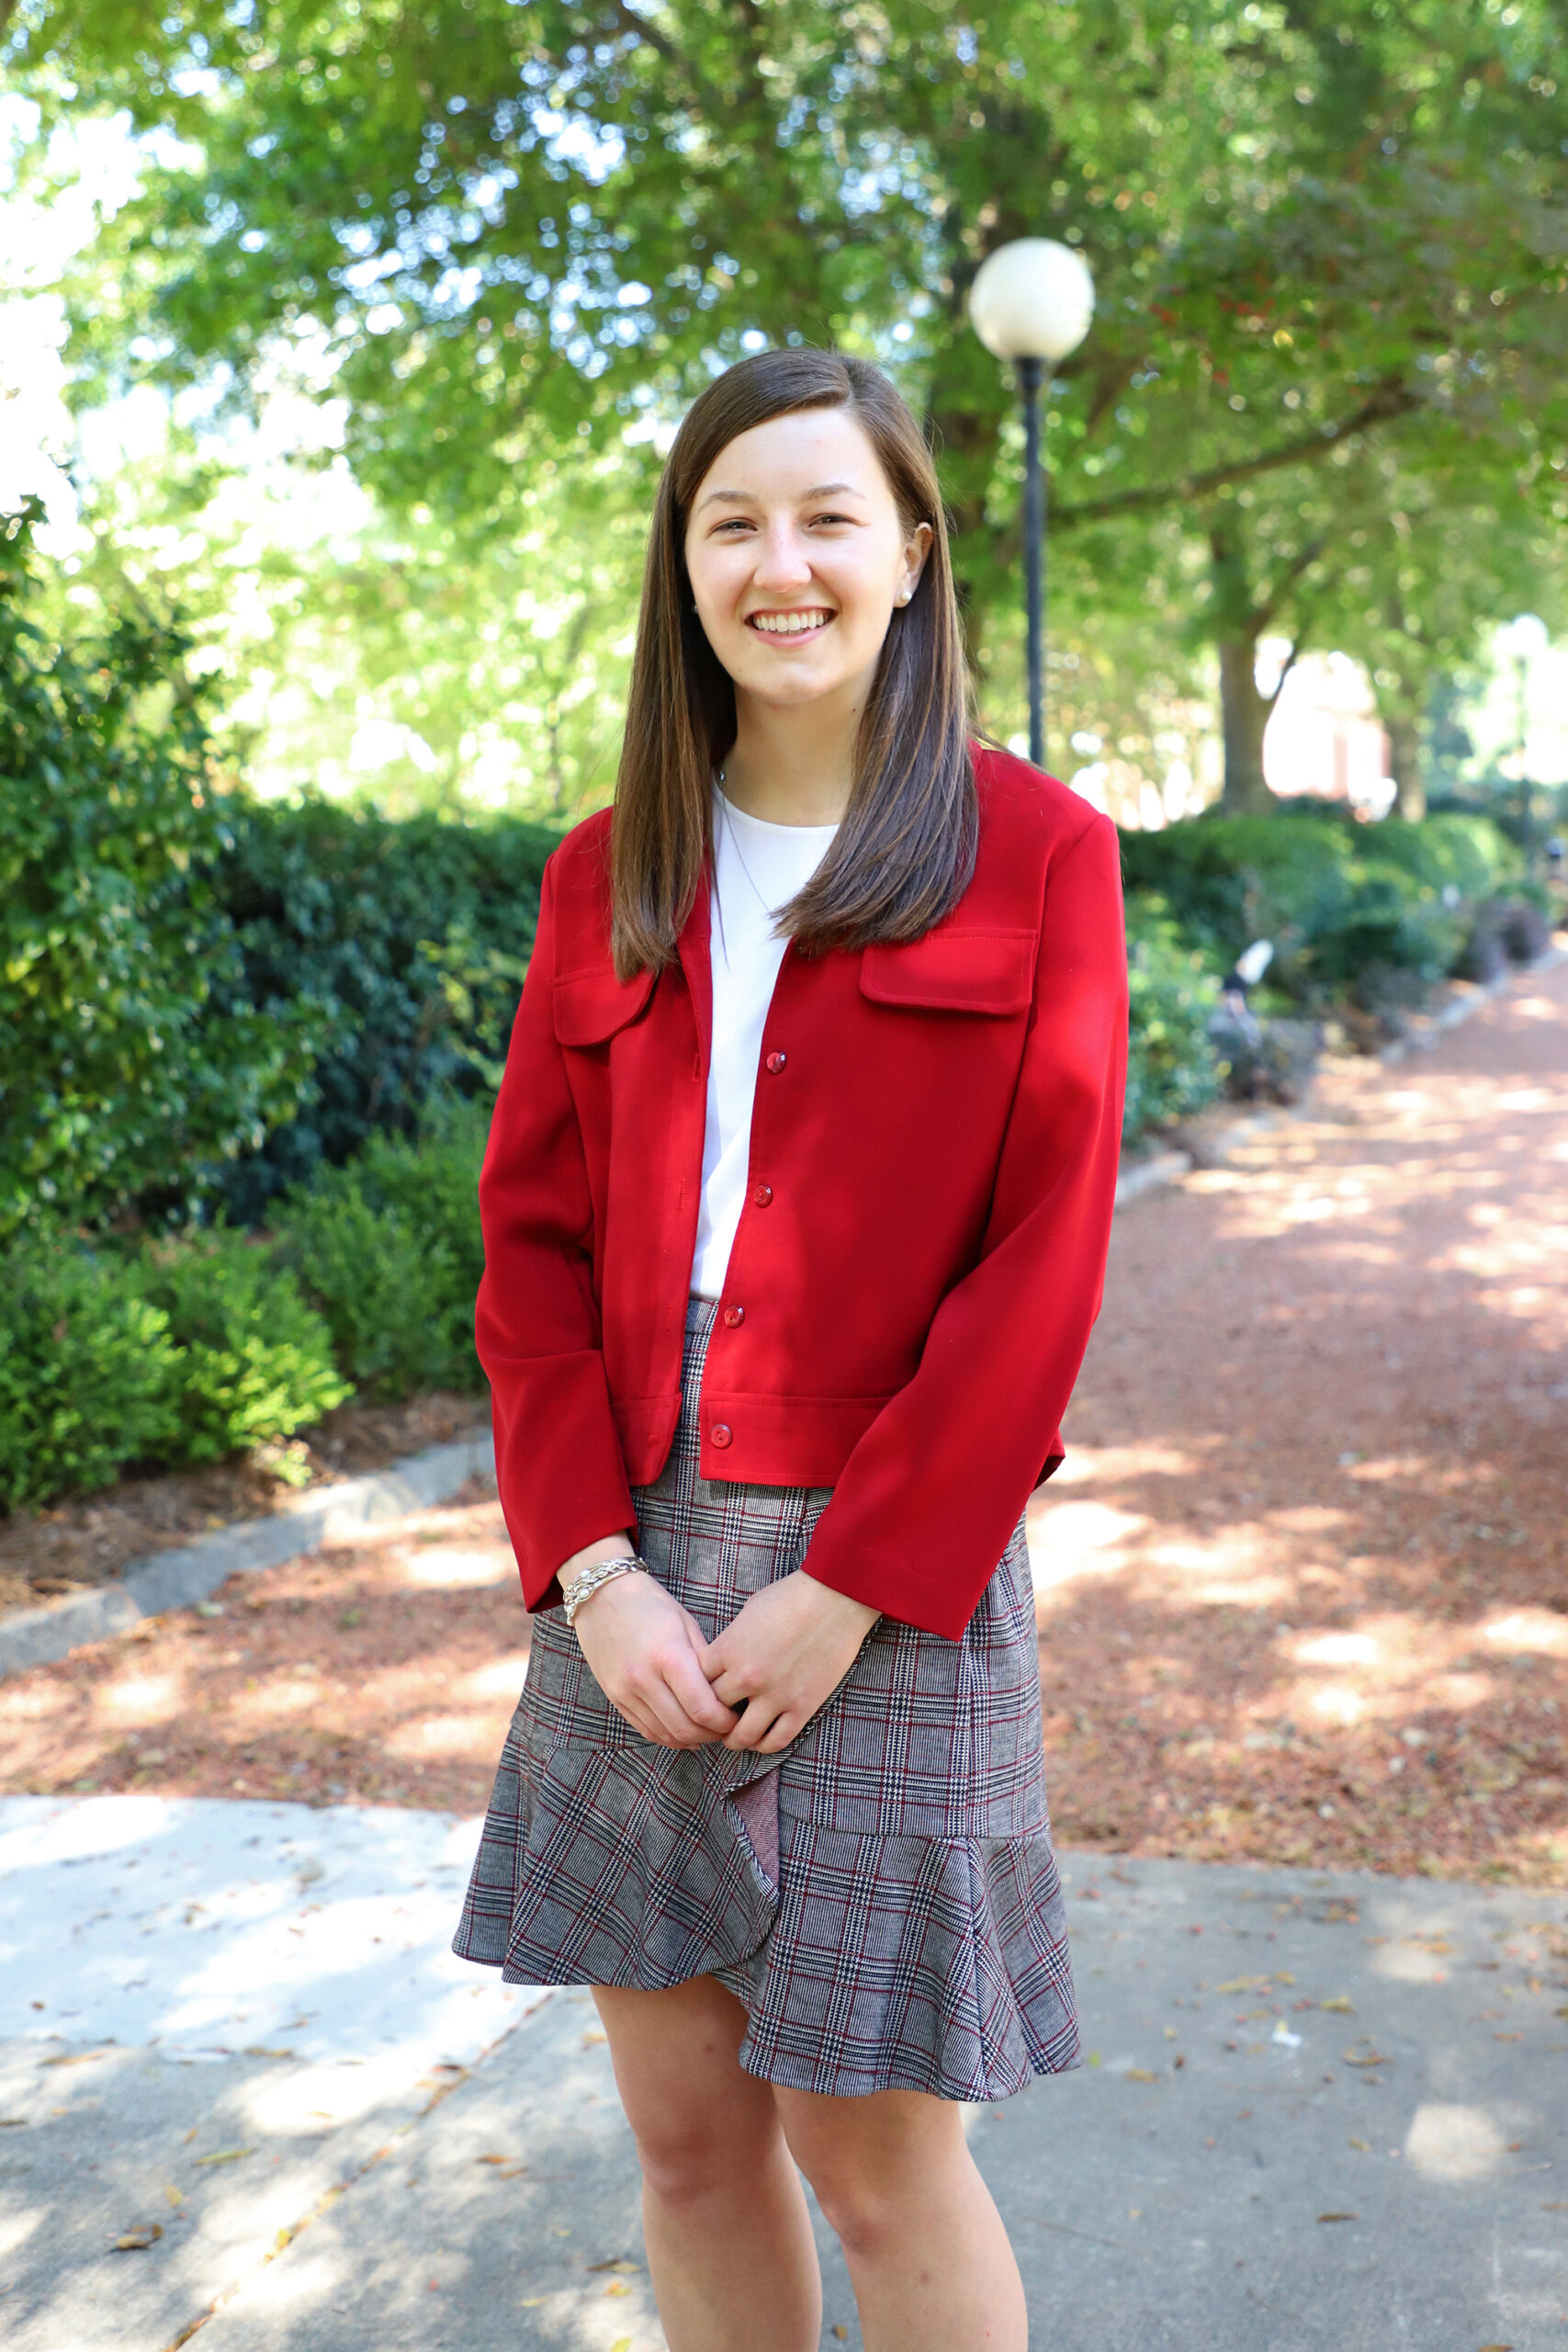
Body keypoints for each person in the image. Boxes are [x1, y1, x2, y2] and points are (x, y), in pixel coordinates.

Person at [454, 345, 1128, 2352]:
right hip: (625, 1571)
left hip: (889, 1571)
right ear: (681, 566)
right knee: (680, 2134)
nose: (782, 562)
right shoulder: (607, 871)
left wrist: (851, 1582)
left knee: (874, 2150)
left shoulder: (1039, 852)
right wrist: (590, 1572)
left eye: (828, 514)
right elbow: (530, 1250)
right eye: (731, 519)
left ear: (912, 552)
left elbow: (1043, 1259)